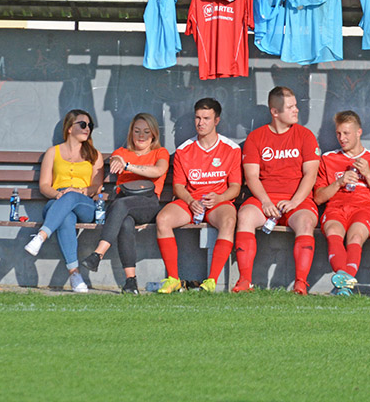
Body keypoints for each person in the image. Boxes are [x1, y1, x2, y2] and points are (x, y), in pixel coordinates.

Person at [233, 86, 320, 295]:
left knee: (306, 222)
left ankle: (300, 283)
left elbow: (311, 174)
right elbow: (251, 176)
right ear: (275, 112)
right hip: (264, 199)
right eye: (290, 107)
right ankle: (244, 281)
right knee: (245, 216)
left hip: (297, 201)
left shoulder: (305, 135)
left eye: (295, 106)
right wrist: (265, 201)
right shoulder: (256, 137)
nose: (296, 110)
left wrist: (294, 202)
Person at [155, 98, 242, 293]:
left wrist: (219, 198)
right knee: (163, 219)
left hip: (218, 202)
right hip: (191, 201)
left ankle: (211, 281)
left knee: (229, 220)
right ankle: (173, 279)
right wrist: (190, 201)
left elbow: (235, 187)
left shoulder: (231, 149)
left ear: (216, 120)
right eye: (197, 118)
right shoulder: (184, 150)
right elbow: (178, 186)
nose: (201, 123)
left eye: (206, 118)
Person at [81, 113, 169, 295]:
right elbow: (115, 160)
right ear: (131, 133)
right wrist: (117, 161)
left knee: (121, 206)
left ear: (153, 134)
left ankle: (98, 254)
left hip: (147, 203)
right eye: (137, 131)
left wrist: (128, 166)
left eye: (146, 131)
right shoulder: (121, 153)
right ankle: (131, 282)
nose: (141, 136)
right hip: (123, 203)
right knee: (126, 223)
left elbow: (158, 170)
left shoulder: (160, 152)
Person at [24, 109, 104, 293]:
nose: (87, 128)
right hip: (57, 201)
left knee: (72, 197)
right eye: (82, 124)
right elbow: (44, 185)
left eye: (90, 126)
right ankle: (75, 275)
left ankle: (41, 236)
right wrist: (57, 195)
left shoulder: (94, 155)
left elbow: (97, 186)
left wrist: (79, 191)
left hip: (84, 202)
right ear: (69, 128)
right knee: (66, 217)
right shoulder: (53, 152)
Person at [314, 111, 370, 295]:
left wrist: (368, 174)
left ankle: (343, 284)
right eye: (338, 133)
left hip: (363, 208)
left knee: (355, 237)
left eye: (346, 133)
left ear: (359, 132)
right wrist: (339, 182)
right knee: (333, 231)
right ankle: (345, 285)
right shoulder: (329, 158)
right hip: (336, 208)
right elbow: (319, 197)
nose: (341, 138)